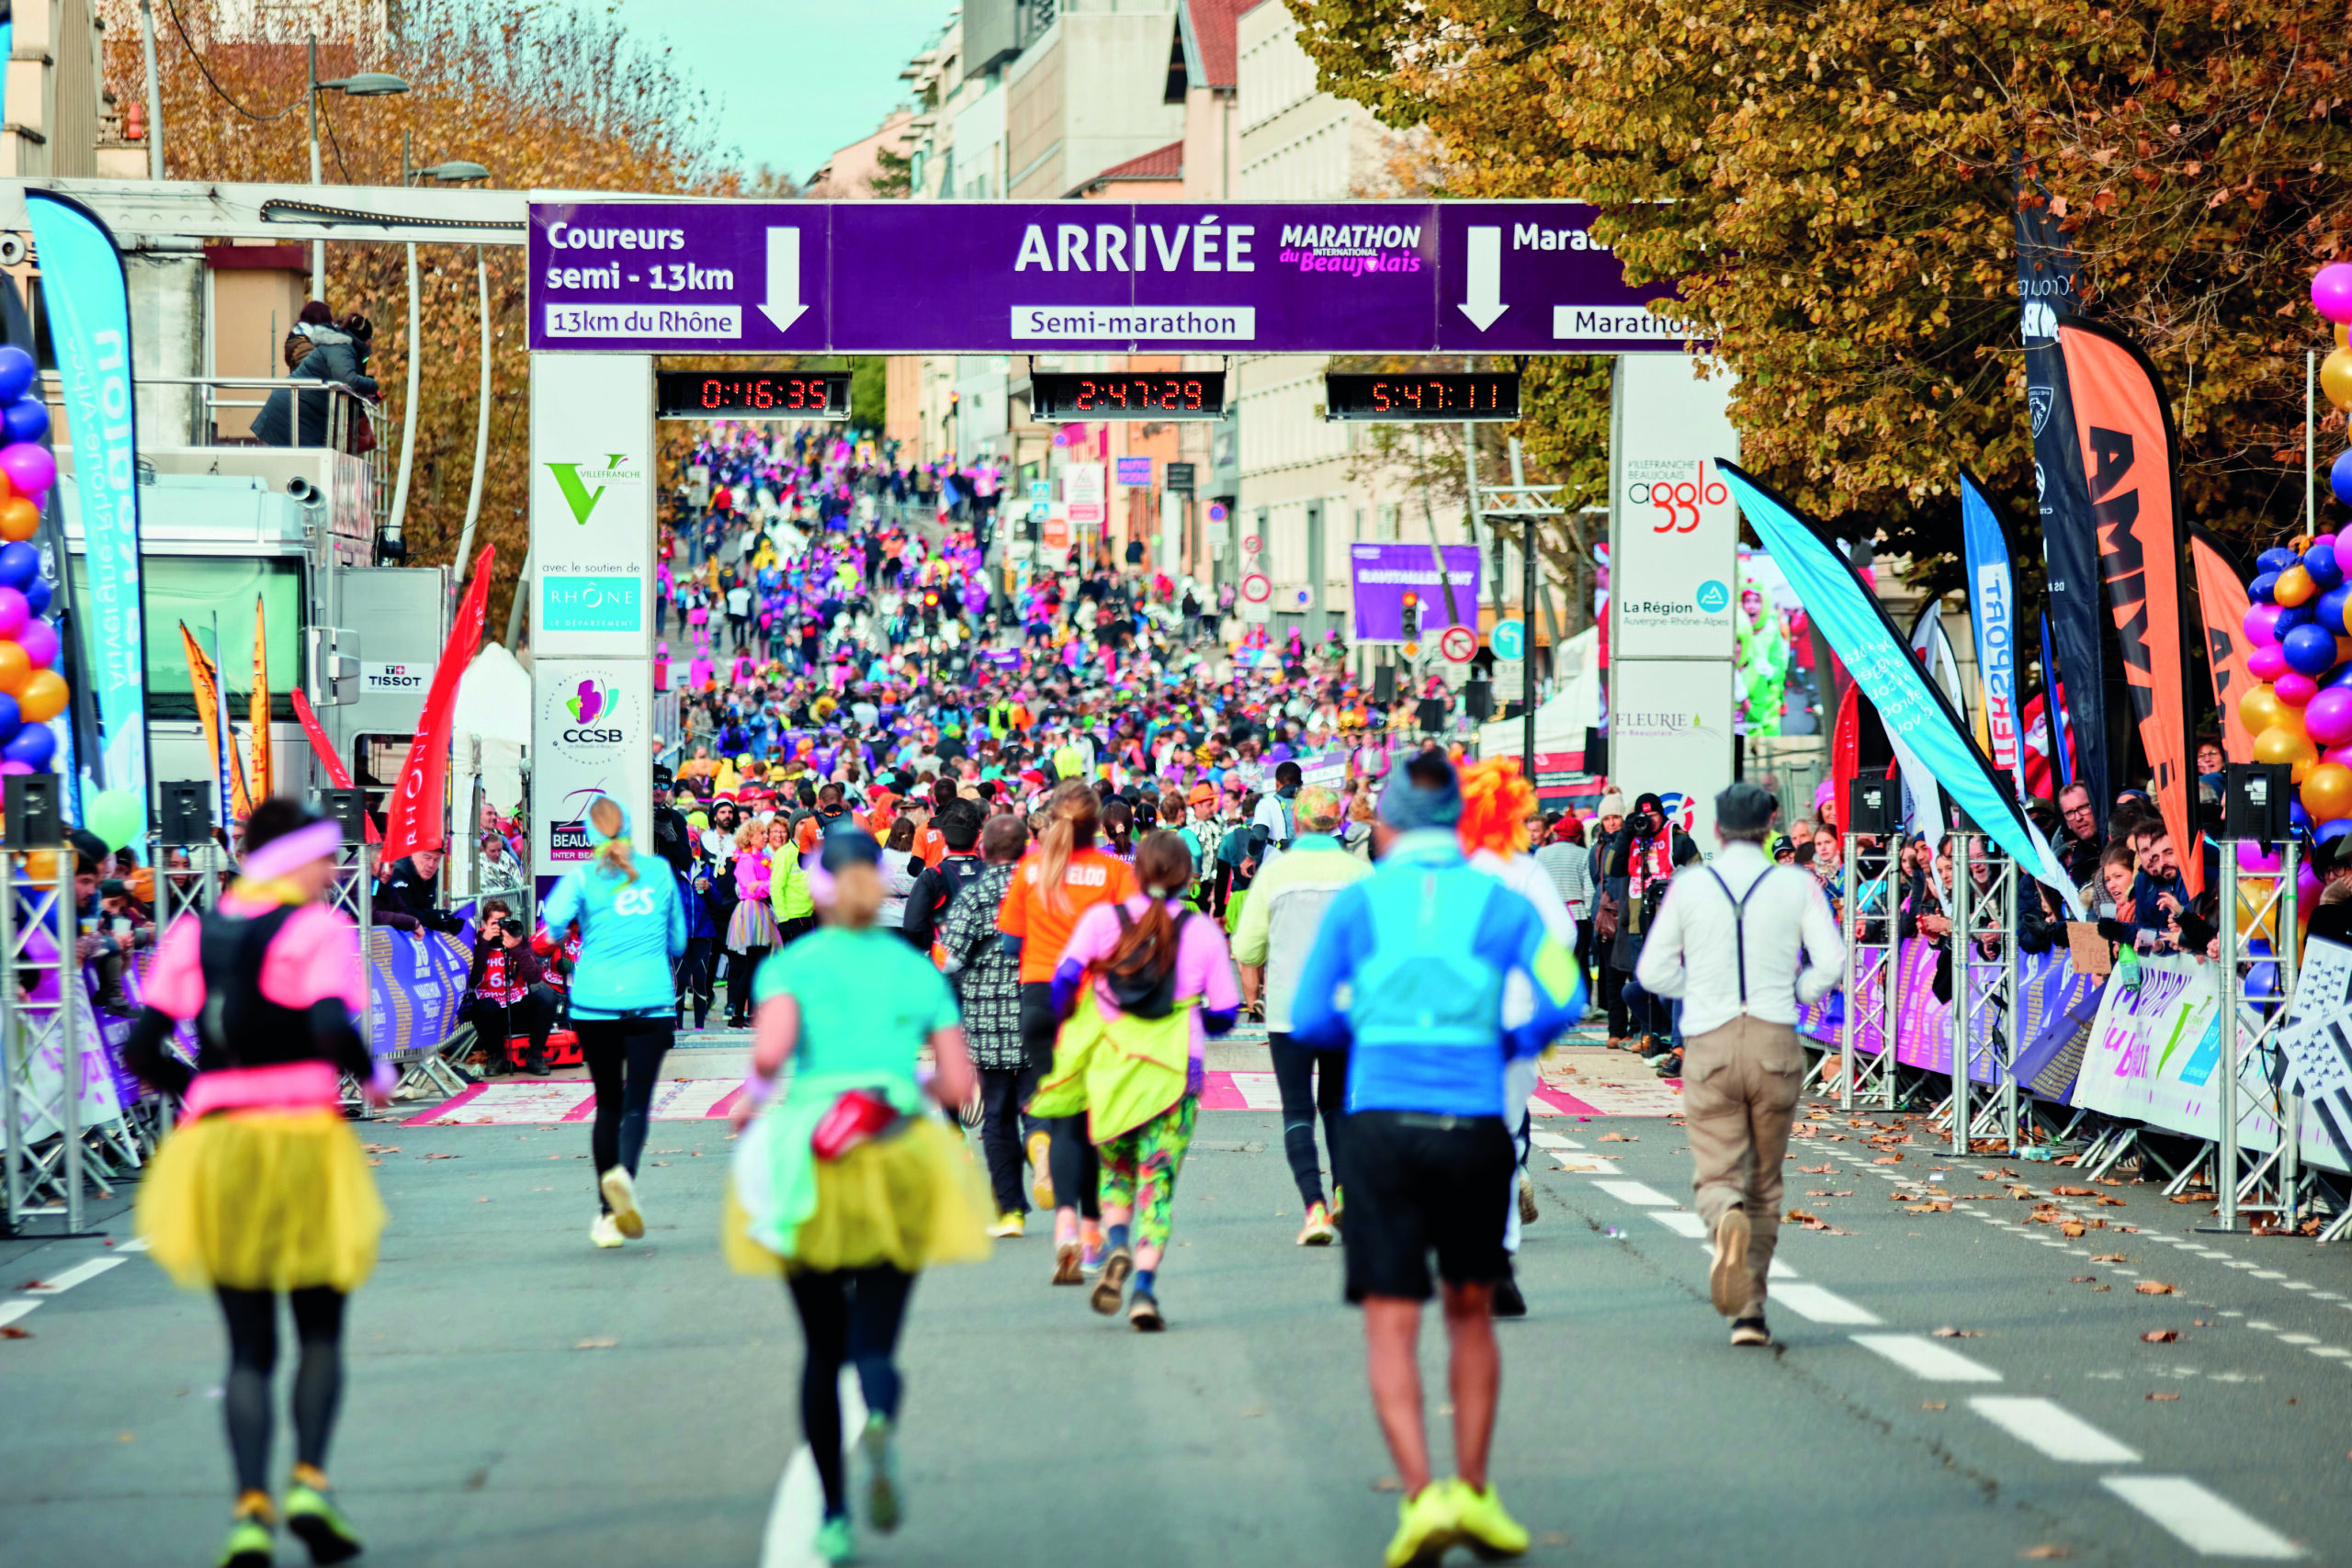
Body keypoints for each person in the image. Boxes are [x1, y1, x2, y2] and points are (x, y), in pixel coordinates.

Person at [1288, 753, 1582, 1566]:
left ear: (1383, 824)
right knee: (1470, 1309)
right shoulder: (1501, 900)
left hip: (1382, 1120)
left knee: (1391, 1319)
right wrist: (1511, 1040)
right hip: (1473, 1119)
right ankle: (1476, 1490)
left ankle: (1421, 1496)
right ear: (1459, 820)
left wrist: (1371, 1033)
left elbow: (1309, 1016)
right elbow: (1566, 992)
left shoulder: (1359, 902)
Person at [120, 799, 387, 1568]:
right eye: (325, 857)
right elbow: (330, 1024)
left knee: (247, 1346)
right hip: (300, 1139)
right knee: (319, 1328)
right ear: (292, 860)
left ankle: (248, 1510)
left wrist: (201, 1088)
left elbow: (141, 1047)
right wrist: (372, 1073)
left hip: (218, 1145)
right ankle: (309, 1482)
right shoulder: (317, 929)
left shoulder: (193, 932)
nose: (333, 872)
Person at [723, 823, 991, 1566]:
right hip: (897, 1147)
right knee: (875, 1337)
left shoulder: (794, 964)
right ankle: (877, 1412)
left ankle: (836, 1515)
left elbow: (770, 1055)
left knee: (820, 1347)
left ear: (818, 885)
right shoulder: (913, 969)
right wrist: (908, 1084)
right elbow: (959, 1083)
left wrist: (753, 1098)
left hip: (813, 1150)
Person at [1634, 782, 1844, 1348]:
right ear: (1771, 825)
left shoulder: (1691, 886)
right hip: (1775, 1039)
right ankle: (1751, 1309)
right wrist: (1799, 990)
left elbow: (1652, 972)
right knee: (1766, 1183)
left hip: (1710, 1040)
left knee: (1717, 1171)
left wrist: (1699, 990)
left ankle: (1725, 1213)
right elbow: (1832, 960)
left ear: (1717, 830)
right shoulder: (1796, 884)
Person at [1036, 829, 1242, 1327]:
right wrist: (1190, 1015)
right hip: (1176, 1076)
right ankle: (1145, 1289)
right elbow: (1226, 1012)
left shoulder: (1102, 920)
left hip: (1112, 1071)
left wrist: (1074, 1020)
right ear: (1187, 877)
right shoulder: (1201, 931)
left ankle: (1117, 1245)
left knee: (1116, 1174)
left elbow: (1062, 981)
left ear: (1136, 871)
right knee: (1158, 1185)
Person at [997, 780, 1139, 1283]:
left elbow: (1010, 943)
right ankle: (1094, 1232)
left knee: (1061, 1119)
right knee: (1095, 1121)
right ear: (1097, 824)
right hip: (1091, 1003)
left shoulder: (1031, 868)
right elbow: (1134, 940)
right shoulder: (1114, 871)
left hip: (1038, 998)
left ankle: (1064, 1228)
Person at [538, 797, 686, 1248]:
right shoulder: (658, 871)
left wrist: (574, 930)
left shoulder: (582, 876)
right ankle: (624, 1175)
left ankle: (606, 1217)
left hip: (595, 1004)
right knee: (637, 1105)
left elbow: (553, 923)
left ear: (589, 835)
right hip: (651, 1003)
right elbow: (679, 943)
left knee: (607, 1105)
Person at [1230, 784, 1370, 1246]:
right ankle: (1345, 1189)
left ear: (1298, 821)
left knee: (1296, 1109)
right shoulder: (1359, 872)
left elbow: (1247, 947)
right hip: (1345, 1008)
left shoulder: (1276, 873)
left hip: (1289, 1008)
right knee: (1339, 1102)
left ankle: (1315, 1209)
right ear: (1338, 823)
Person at [944, 812, 1033, 1235]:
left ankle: (1010, 1210)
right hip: (1036, 1008)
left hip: (986, 1018)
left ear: (983, 850)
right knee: (1038, 1101)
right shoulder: (1041, 891)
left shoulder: (974, 894)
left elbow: (951, 958)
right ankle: (1042, 1147)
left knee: (996, 1114)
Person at [466, 897, 558, 1074]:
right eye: (495, 923)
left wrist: (517, 948)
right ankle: (496, 1057)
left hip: (518, 1008)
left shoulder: (518, 940)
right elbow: (473, 980)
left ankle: (535, 1056)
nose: (500, 928)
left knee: (547, 996)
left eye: (504, 922)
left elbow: (535, 977)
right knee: (483, 1007)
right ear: (484, 923)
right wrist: (484, 943)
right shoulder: (476, 943)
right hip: (491, 1013)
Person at [724, 821, 781, 1026]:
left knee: (756, 964)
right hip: (753, 911)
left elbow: (763, 885)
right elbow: (751, 889)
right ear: (750, 838)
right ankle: (743, 1014)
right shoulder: (747, 860)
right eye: (761, 833)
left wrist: (765, 884)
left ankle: (743, 1014)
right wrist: (770, 884)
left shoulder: (760, 859)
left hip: (760, 910)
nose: (766, 836)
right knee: (754, 965)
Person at [370, 845, 462, 935]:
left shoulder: (430, 875)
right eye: (427, 858)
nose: (431, 865)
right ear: (414, 855)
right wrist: (435, 918)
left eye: (436, 860)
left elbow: (404, 911)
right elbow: (374, 915)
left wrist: (441, 922)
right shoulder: (398, 873)